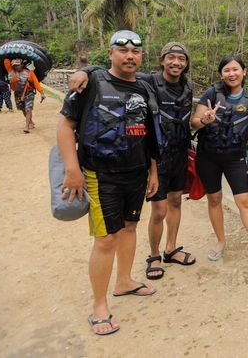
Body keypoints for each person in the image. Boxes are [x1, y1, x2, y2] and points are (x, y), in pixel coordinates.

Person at [57, 30, 160, 336]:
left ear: (142, 56)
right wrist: (72, 169)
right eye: (122, 50)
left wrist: (153, 171)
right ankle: (98, 306)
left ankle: (124, 281)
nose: (130, 56)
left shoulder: (144, 86)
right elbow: (65, 125)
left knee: (129, 227)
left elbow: (151, 132)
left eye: (136, 51)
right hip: (101, 174)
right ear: (111, 52)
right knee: (106, 239)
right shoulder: (91, 83)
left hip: (137, 171)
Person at [68, 42, 197, 280]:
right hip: (156, 154)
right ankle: (154, 255)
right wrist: (83, 71)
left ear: (186, 63)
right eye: (171, 57)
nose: (176, 62)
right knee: (158, 210)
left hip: (179, 152)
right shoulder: (148, 81)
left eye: (181, 58)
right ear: (161, 60)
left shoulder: (187, 86)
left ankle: (171, 249)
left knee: (176, 202)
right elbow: (115, 69)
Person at [190, 54, 248, 262]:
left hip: (236, 158)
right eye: (227, 70)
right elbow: (194, 123)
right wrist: (205, 120)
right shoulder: (211, 94)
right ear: (221, 74)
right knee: (214, 199)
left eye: (235, 69)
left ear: (244, 72)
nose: (231, 74)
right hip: (208, 156)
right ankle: (221, 242)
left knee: (245, 202)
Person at [4, 58, 45, 132]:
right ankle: (30, 122)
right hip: (18, 93)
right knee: (23, 109)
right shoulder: (11, 72)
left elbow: (36, 83)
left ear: (22, 65)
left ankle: (27, 126)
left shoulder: (29, 73)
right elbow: (6, 61)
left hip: (28, 92)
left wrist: (42, 93)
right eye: (15, 66)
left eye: (18, 65)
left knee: (28, 108)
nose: (16, 67)